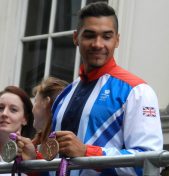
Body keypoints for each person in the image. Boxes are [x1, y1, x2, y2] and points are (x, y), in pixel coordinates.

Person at [50, 2, 163, 176]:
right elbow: (56, 165)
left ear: (117, 40)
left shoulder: (137, 91)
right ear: (75, 38)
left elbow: (150, 162)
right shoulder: (64, 95)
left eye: (106, 36)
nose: (97, 44)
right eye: (89, 35)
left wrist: (87, 152)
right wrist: (30, 159)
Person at [16, 77, 68, 175]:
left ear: (46, 102)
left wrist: (34, 162)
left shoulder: (66, 145)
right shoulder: (33, 145)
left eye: (35, 101)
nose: (32, 110)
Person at [0, 86, 35, 175]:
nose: (4, 114)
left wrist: (31, 165)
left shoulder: (35, 157)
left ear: (25, 119)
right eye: (0, 108)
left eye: (13, 110)